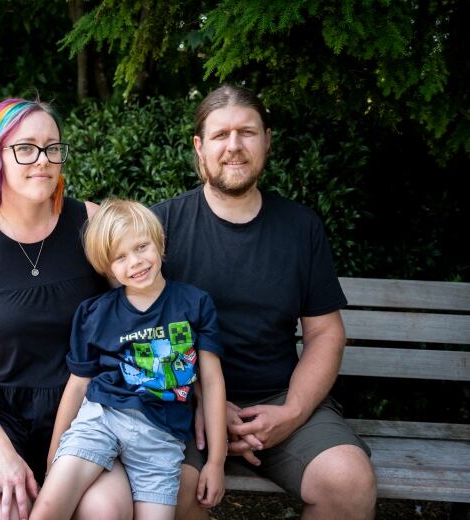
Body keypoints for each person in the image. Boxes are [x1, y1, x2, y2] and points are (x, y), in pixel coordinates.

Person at [152, 84, 377, 520]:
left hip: (278, 397)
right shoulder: (161, 226)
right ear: (199, 147)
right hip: (183, 402)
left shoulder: (300, 227)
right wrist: (205, 402)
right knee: (167, 489)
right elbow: (139, 328)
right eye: (220, 135)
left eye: (247, 133)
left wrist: (292, 412)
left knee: (348, 480)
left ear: (267, 140)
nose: (233, 147)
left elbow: (325, 333)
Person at [0, 98, 132, 520]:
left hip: (78, 417)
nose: (43, 160)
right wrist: (1, 453)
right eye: (26, 148)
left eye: (53, 147)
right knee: (3, 509)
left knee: (107, 511)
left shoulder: (90, 224)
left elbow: (145, 304)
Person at [31, 199, 227, 520]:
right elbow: (78, 386)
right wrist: (56, 453)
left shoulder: (194, 304)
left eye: (141, 247)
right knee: (49, 508)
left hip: (162, 439)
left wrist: (216, 461)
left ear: (159, 242)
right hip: (102, 420)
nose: (135, 262)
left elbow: (213, 381)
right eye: (120, 257)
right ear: (106, 268)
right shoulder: (95, 313)